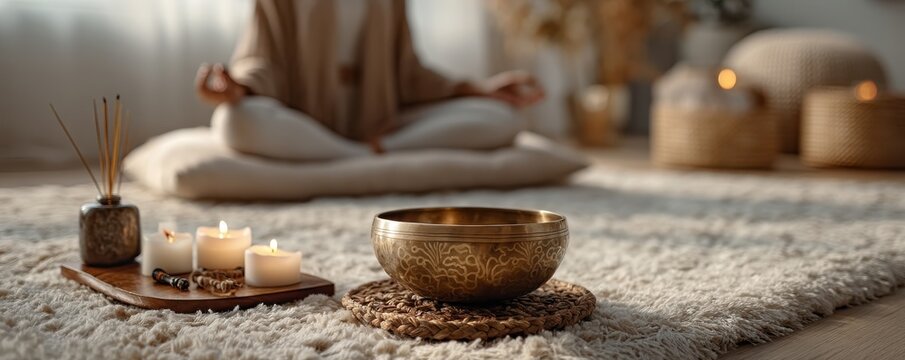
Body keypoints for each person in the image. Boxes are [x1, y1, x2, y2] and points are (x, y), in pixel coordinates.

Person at [196, 0, 544, 161]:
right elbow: (263, 61)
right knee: (235, 120)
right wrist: (238, 87)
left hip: (382, 125)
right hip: (305, 125)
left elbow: (409, 73)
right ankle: (357, 155)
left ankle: (362, 154)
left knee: (502, 118)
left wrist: (478, 89)